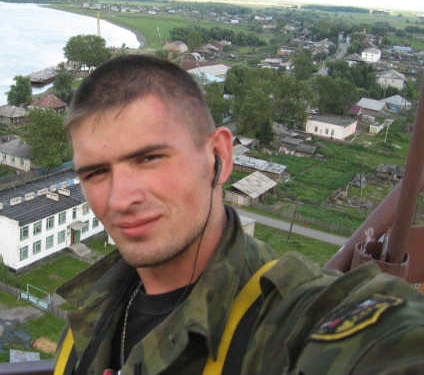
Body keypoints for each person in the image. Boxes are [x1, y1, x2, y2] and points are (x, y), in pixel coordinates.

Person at [54, 54, 424, 375]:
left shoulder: (288, 321)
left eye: (148, 158)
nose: (120, 199)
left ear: (219, 156)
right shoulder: (84, 322)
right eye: (96, 172)